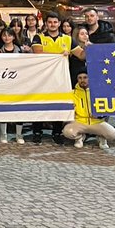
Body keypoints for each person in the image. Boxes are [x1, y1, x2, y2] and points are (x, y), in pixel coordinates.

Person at [30, 13, 74, 144]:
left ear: (59, 23)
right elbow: (38, 52)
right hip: (42, 77)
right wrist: (60, 55)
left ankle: (57, 132)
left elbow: (81, 54)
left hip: (60, 78)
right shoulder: (39, 37)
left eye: (55, 22)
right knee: (39, 104)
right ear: (46, 23)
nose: (53, 24)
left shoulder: (68, 39)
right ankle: (37, 132)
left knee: (58, 105)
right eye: (50, 22)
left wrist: (88, 46)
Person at [62, 72, 115, 150]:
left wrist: (99, 115)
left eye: (85, 77)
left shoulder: (98, 91)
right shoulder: (72, 93)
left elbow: (108, 108)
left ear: (89, 79)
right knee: (67, 131)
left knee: (113, 134)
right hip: (79, 121)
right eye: (80, 78)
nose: (82, 80)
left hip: (96, 122)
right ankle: (79, 138)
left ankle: (101, 137)